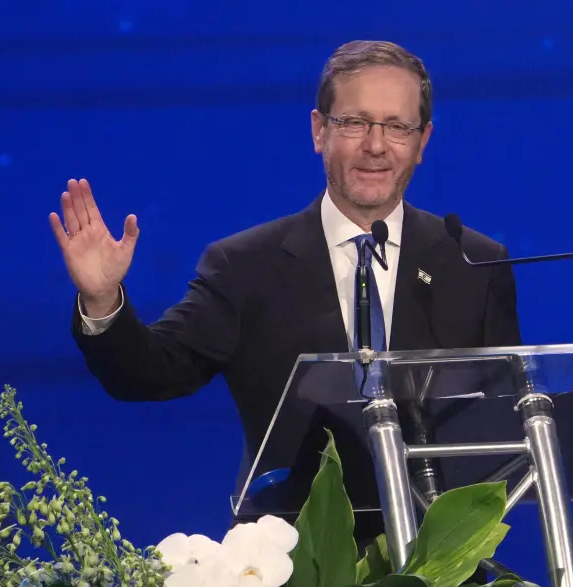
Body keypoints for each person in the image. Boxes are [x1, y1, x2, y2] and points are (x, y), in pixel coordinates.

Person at [47, 39, 521, 528]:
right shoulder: (245, 265)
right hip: (291, 559)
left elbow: (510, 424)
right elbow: (150, 373)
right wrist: (102, 299)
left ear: (422, 142)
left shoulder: (473, 262)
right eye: (354, 122)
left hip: (437, 562)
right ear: (319, 130)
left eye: (397, 127)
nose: (376, 145)